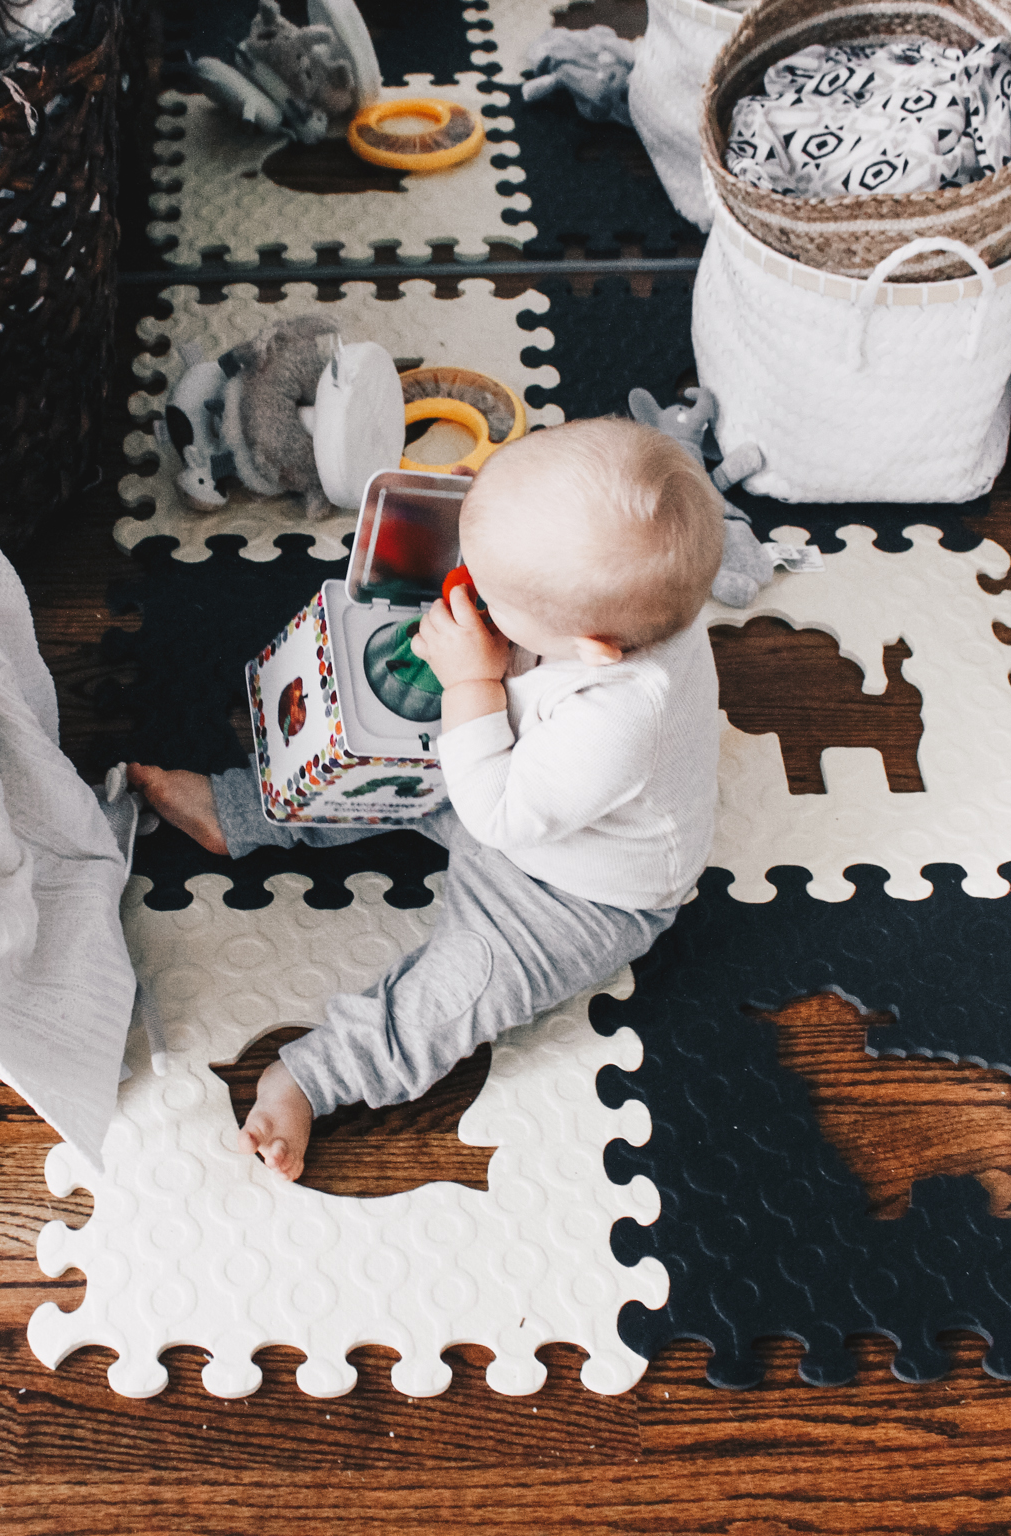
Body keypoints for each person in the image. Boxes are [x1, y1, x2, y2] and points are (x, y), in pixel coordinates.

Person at [129, 416, 724, 1179]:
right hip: (516, 778)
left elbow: (497, 814)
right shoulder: (617, 593)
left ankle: (317, 1077)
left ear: (593, 651)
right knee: (377, 770)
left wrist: (472, 681)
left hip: (573, 888)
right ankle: (240, 812)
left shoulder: (625, 714)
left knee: (462, 987)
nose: (469, 586)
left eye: (494, 593)